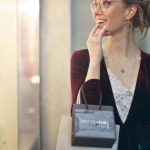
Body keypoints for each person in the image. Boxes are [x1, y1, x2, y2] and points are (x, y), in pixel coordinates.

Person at [70, 0, 150, 149]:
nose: (96, 11)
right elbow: (86, 124)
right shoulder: (82, 59)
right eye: (94, 4)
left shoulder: (148, 64)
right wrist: (95, 61)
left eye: (106, 3)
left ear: (129, 12)